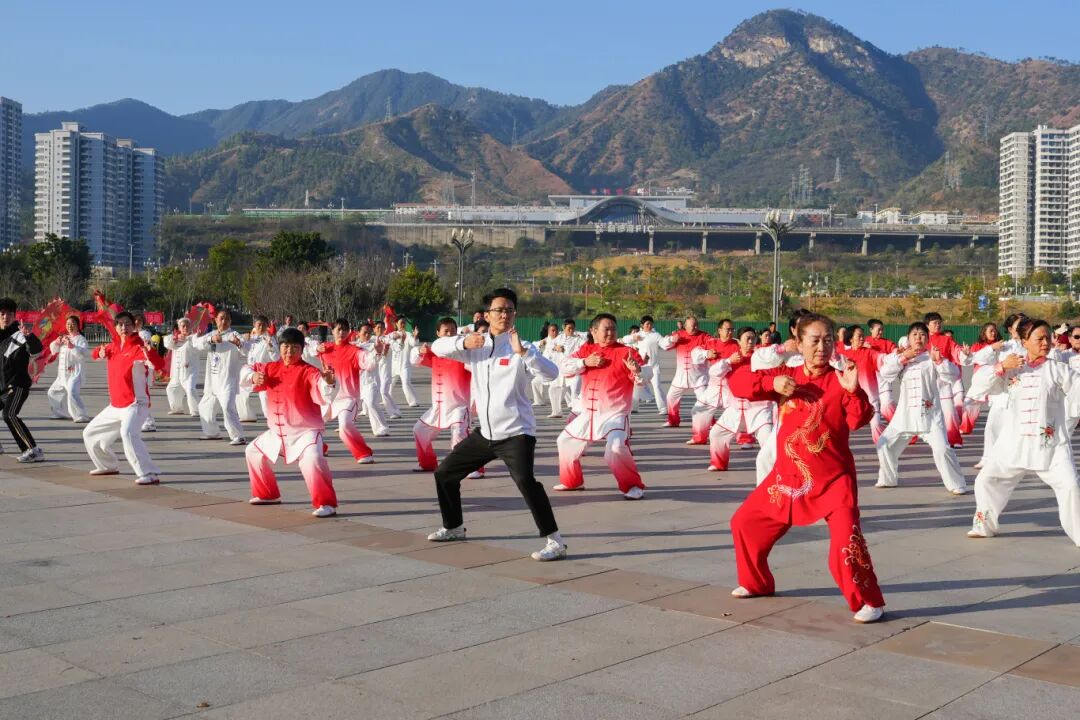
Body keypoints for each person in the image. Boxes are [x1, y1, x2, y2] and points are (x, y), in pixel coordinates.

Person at [727, 312, 885, 623]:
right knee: (744, 524)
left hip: (833, 481)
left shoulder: (840, 380)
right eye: (814, 341)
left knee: (845, 544)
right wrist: (771, 382)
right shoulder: (786, 376)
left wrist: (854, 390)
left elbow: (858, 419)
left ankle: (869, 601)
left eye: (828, 340)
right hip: (788, 478)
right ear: (798, 344)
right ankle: (757, 583)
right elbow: (738, 382)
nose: (822, 347)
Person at [426, 287, 566, 561]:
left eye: (510, 310)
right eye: (499, 310)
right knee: (444, 474)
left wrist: (524, 353)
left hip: (516, 433)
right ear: (487, 315)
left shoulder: (522, 347)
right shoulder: (475, 345)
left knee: (526, 482)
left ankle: (555, 542)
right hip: (486, 434)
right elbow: (436, 347)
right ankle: (454, 527)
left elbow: (552, 373)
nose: (505, 314)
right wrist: (462, 343)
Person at [967, 319, 1080, 545]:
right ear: (1024, 341)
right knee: (985, 480)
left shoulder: (1058, 369)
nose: (1046, 342)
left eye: (1048, 338)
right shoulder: (1012, 366)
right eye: (1039, 338)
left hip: (1050, 445)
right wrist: (1001, 367)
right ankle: (984, 526)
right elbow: (978, 384)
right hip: (1014, 443)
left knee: (1070, 486)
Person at [244, 327, 340, 517]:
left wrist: (328, 382)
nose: (289, 352)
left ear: (302, 349)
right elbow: (247, 369)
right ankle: (267, 494)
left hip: (305, 432)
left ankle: (326, 503)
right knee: (253, 451)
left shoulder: (309, 371)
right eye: (285, 347)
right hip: (277, 433)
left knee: (313, 460)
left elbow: (323, 389)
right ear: (280, 347)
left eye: (295, 348)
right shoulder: (270, 368)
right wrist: (252, 376)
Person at [554, 313, 649, 499]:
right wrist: (584, 362)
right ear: (594, 331)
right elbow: (564, 366)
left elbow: (644, 376)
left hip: (615, 414)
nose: (611, 333)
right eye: (606, 329)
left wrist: (637, 370)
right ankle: (572, 482)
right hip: (588, 414)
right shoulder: (587, 349)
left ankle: (632, 486)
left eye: (614, 329)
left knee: (615, 448)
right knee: (565, 441)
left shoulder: (627, 352)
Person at [874, 322, 968, 495]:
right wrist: (903, 358)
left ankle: (956, 483)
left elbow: (954, 374)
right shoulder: (900, 357)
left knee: (942, 449)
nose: (918, 338)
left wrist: (939, 361)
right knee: (883, 444)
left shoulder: (932, 358)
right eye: (915, 334)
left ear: (927, 339)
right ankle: (888, 478)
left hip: (930, 416)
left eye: (922, 334)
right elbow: (885, 373)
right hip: (905, 416)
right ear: (908, 339)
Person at [83, 311, 160, 483]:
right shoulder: (113, 346)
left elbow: (158, 364)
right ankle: (107, 465)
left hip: (135, 404)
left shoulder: (139, 347)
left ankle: (149, 473)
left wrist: (150, 353)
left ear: (134, 326)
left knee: (128, 434)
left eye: (127, 324)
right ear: (116, 327)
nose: (124, 327)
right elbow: (94, 354)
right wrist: (99, 352)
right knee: (89, 433)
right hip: (115, 406)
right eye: (120, 324)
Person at [411, 317, 478, 476]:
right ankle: (427, 463)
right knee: (419, 430)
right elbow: (414, 360)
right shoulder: (435, 352)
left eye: (453, 331)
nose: (449, 334)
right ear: (438, 333)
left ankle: (472, 468)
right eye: (446, 331)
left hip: (459, 406)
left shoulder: (464, 353)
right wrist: (419, 351)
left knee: (459, 436)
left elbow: (477, 369)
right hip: (438, 407)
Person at [707, 327, 773, 479]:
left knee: (768, 441)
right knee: (716, 434)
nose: (750, 341)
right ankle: (719, 463)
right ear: (739, 341)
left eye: (753, 338)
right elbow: (713, 372)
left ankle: (773, 473)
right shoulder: (732, 359)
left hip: (759, 409)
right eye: (747, 338)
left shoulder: (761, 357)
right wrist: (728, 361)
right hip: (736, 409)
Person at [317, 318, 375, 463]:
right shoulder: (325, 349)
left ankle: (364, 453)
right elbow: (306, 350)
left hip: (347, 397)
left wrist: (378, 354)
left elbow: (369, 363)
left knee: (344, 427)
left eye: (344, 329)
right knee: (312, 425)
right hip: (328, 397)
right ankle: (319, 448)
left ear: (349, 332)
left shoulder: (355, 351)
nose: (341, 332)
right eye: (338, 329)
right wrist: (316, 349)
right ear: (332, 331)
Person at [192, 309, 249, 445]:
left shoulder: (234, 335)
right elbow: (196, 344)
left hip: (227, 380)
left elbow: (247, 350)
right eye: (221, 318)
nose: (224, 321)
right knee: (204, 407)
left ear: (230, 321)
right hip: (212, 381)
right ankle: (212, 432)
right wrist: (211, 339)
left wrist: (239, 344)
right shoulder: (212, 334)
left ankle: (239, 436)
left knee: (227, 407)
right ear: (216, 320)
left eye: (227, 319)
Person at [0, 299, 45, 462]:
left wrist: (29, 336)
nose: (6, 317)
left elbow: (37, 351)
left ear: (14, 316)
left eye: (9, 314)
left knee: (9, 414)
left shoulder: (20, 333)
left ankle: (33, 450)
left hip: (18, 384)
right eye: (2, 314)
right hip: (2, 386)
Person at [688, 318, 739, 445]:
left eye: (732, 329)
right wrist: (706, 353)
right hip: (714, 386)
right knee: (698, 410)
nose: (730, 332)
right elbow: (695, 353)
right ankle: (699, 437)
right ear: (720, 330)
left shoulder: (737, 344)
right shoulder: (711, 343)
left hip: (731, 386)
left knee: (740, 411)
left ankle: (744, 439)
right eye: (728, 329)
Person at [838, 325, 887, 443]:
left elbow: (883, 359)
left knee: (876, 425)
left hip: (870, 398)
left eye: (863, 336)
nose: (862, 338)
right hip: (851, 399)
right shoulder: (844, 355)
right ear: (851, 339)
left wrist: (899, 357)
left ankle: (884, 447)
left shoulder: (870, 353)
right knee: (844, 426)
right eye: (859, 336)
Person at [659, 315, 708, 428]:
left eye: (696, 325)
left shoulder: (704, 336)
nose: (695, 327)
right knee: (671, 397)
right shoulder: (679, 335)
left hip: (699, 377)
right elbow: (663, 344)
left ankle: (710, 422)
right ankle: (673, 420)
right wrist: (671, 339)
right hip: (681, 376)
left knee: (705, 401)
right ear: (685, 326)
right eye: (692, 326)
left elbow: (714, 346)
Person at [47, 315, 91, 423]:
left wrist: (72, 346)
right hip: (62, 374)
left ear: (78, 326)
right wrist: (57, 342)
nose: (70, 326)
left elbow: (84, 354)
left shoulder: (81, 339)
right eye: (68, 324)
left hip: (74, 373)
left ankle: (81, 415)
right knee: (52, 392)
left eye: (73, 324)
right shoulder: (64, 337)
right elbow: (53, 350)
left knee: (72, 393)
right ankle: (60, 413)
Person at [237, 315, 279, 422]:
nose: (261, 327)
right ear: (254, 325)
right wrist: (240, 344)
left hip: (264, 371)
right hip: (251, 369)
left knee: (264, 397)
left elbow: (276, 357)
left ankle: (272, 419)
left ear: (267, 326)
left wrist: (270, 346)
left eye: (263, 325)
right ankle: (247, 416)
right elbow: (245, 352)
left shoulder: (269, 338)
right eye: (259, 324)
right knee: (240, 390)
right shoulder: (252, 337)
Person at [352, 323, 390, 436]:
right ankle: (345, 425)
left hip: (371, 381)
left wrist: (380, 351)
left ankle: (382, 428)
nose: (367, 335)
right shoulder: (353, 346)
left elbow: (379, 358)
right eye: (364, 332)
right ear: (358, 333)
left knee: (372, 403)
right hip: (357, 381)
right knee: (349, 404)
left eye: (369, 332)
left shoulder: (374, 345)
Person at [163, 318, 201, 416]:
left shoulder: (193, 338)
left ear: (190, 327)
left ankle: (196, 410)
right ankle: (177, 408)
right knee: (171, 389)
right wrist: (175, 338)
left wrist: (196, 336)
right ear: (179, 328)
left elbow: (198, 346)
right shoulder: (175, 338)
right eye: (183, 326)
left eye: (187, 325)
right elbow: (167, 343)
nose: (185, 327)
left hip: (190, 370)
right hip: (177, 370)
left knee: (190, 388)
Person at [389, 317, 419, 407]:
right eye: (401, 322)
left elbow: (414, 343)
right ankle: (386, 398)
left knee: (406, 383)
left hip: (405, 365)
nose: (402, 324)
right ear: (396, 324)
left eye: (404, 323)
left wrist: (415, 336)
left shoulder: (408, 334)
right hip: (393, 364)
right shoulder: (392, 335)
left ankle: (413, 401)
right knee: (389, 384)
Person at [372, 321, 400, 418]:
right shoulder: (371, 339)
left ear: (385, 329)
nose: (379, 329)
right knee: (370, 391)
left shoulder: (388, 339)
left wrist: (399, 340)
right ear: (374, 329)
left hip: (385, 370)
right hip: (373, 370)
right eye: (377, 327)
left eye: (381, 327)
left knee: (384, 391)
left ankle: (394, 412)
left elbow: (398, 347)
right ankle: (365, 410)